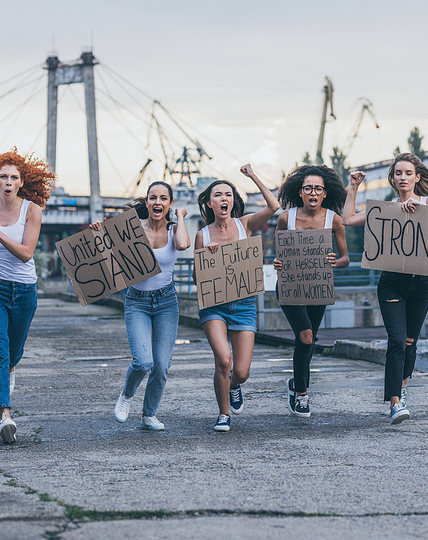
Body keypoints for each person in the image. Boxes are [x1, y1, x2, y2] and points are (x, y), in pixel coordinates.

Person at [342, 152, 428, 425]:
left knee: (411, 342)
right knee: (397, 340)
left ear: (417, 177)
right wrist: (353, 187)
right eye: (398, 173)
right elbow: (347, 219)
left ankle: (403, 386)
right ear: (392, 178)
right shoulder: (384, 210)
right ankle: (395, 403)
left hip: (421, 283)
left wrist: (419, 210)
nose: (403, 178)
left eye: (408, 173)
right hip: (391, 284)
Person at [91, 182, 190, 431]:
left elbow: (183, 245)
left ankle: (149, 415)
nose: (157, 202)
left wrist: (180, 218)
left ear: (170, 203)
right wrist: (98, 234)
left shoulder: (174, 229)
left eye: (163, 198)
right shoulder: (131, 230)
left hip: (167, 302)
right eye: (152, 198)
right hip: (137, 301)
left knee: (162, 365)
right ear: (146, 202)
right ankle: (126, 395)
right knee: (143, 362)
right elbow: (106, 256)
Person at [0, 148, 55, 444]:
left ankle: (9, 368)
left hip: (23, 292)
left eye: (14, 177)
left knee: (14, 353)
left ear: (21, 183)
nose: (8, 181)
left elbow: (26, 253)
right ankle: (5, 417)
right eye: (3, 177)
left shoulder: (32, 210)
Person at [194, 164, 279, 432]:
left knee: (241, 372)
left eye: (228, 195)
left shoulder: (245, 224)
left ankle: (233, 386)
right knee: (223, 360)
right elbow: (198, 280)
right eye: (218, 195)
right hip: (214, 307)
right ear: (210, 202)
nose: (223, 199)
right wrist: (207, 258)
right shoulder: (202, 235)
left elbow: (274, 206)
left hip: (243, 305)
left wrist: (253, 176)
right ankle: (223, 414)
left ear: (233, 201)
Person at [273, 165, 349, 417]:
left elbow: (345, 258)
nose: (313, 192)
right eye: (308, 188)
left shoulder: (333, 220)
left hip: (317, 286)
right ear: (301, 192)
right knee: (305, 336)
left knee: (308, 339)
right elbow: (279, 250)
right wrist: (277, 262)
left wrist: (333, 262)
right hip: (290, 286)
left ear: (325, 193)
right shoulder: (286, 218)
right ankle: (302, 395)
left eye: (318, 188)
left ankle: (296, 383)